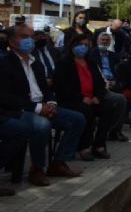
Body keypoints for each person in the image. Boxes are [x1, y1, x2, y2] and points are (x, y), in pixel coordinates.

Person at [0, 24, 85, 186]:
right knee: (42, 125)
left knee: (77, 119)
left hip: (43, 106)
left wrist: (51, 103)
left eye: (31, 37)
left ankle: (58, 163)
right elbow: (6, 97)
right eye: (24, 37)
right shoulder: (5, 64)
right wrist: (38, 109)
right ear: (12, 42)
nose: (30, 41)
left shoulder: (36, 63)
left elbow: (47, 90)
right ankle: (37, 169)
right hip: (20, 110)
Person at [53, 34, 125, 161]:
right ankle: (83, 146)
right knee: (87, 111)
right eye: (80, 44)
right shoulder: (64, 63)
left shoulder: (90, 62)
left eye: (86, 45)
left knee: (109, 108)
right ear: (73, 46)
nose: (83, 47)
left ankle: (99, 144)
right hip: (72, 100)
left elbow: (100, 83)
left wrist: (97, 96)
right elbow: (63, 86)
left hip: (92, 98)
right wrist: (81, 98)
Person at [89, 32, 128, 142]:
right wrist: (103, 83)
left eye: (107, 40)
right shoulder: (91, 55)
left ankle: (114, 131)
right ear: (97, 41)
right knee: (119, 100)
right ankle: (108, 131)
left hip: (113, 84)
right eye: (102, 40)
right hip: (99, 86)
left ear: (110, 42)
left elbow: (119, 73)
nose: (104, 41)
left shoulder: (113, 56)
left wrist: (115, 81)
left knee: (122, 99)